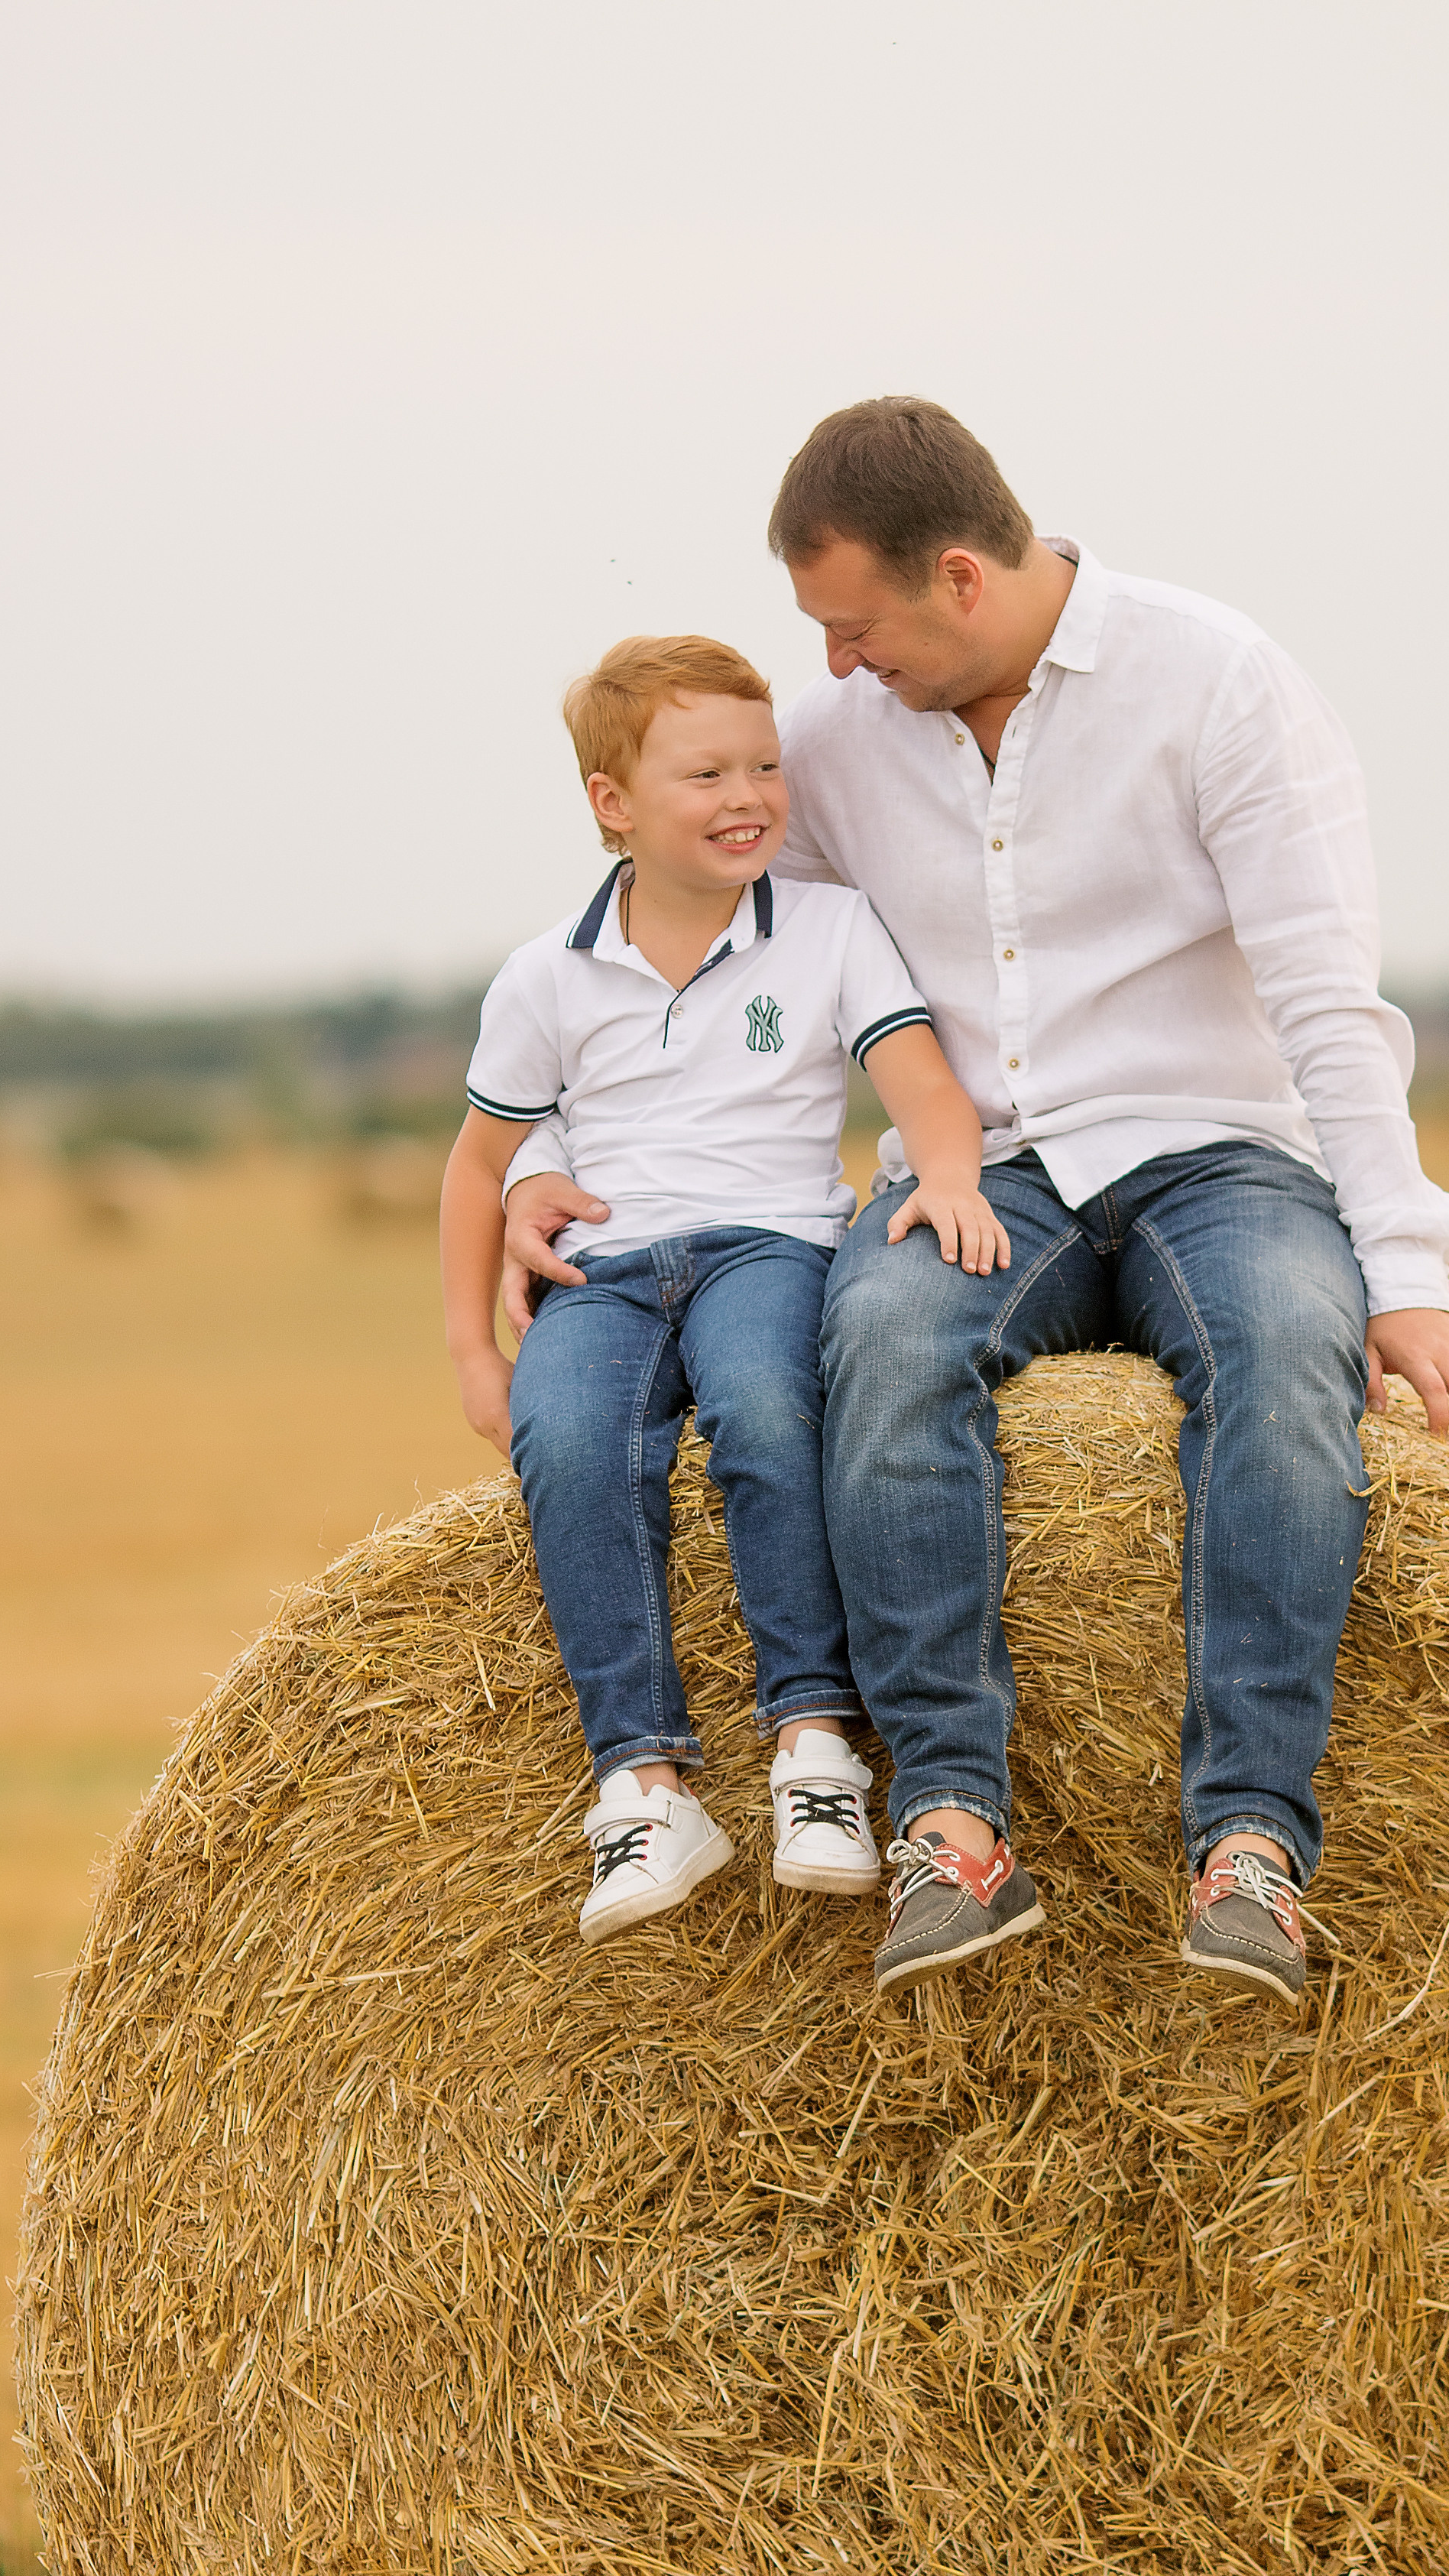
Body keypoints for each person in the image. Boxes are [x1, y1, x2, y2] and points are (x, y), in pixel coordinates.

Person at [501, 401, 1449, 2011]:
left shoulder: (1217, 683)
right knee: (882, 1347)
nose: (833, 665)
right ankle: (949, 1822)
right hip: (980, 1174)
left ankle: (1249, 1842)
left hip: (1215, 1149)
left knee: (1282, 1355)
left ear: (958, 576)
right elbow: (675, 937)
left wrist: (1405, 1266)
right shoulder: (831, 744)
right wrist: (538, 1146)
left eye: (853, 626)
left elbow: (1327, 1000)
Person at [440, 631, 1030, 1966]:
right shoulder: (546, 975)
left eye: (764, 765)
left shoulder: (827, 927)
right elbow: (476, 1169)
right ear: (612, 802)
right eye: (705, 774)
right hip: (604, 1270)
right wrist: (475, 1353)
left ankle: (813, 1748)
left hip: (770, 1246)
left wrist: (947, 1175)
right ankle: (643, 1789)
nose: (748, 795)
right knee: (568, 1446)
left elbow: (923, 1086)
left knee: (768, 1414)